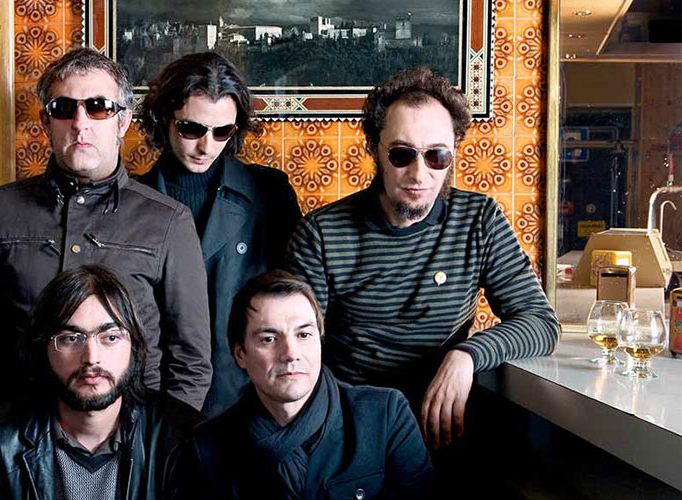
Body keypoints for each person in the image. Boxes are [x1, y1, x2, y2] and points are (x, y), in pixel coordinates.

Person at [286, 67, 559, 449]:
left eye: (437, 156)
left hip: (442, 427)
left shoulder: (479, 220)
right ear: (375, 149)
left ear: (454, 152)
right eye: (402, 155)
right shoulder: (321, 233)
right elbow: (297, 345)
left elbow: (541, 323)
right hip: (349, 427)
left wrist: (466, 355)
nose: (419, 174)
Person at [0, 48, 212, 425]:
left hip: (133, 439)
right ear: (46, 121)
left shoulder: (168, 222)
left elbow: (191, 360)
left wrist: (162, 442)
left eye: (99, 107)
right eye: (64, 108)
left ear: (122, 121)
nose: (80, 123)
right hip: (16, 437)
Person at [138, 52, 301, 417]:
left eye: (222, 132)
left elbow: (295, 304)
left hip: (248, 399)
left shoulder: (270, 194)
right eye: (191, 129)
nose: (206, 146)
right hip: (155, 403)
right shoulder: (132, 201)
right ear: (164, 118)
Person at [0, 266, 204, 499]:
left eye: (110, 337)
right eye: (71, 338)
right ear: (43, 348)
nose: (91, 358)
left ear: (134, 346)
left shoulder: (183, 438)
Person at [181, 270, 434, 499]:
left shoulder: (386, 415)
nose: (291, 354)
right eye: (269, 339)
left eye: (303, 335)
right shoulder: (207, 447)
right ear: (240, 354)